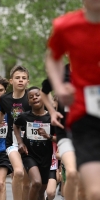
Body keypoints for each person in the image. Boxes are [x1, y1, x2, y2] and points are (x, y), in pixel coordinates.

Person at [46, 1, 100, 199]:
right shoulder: (66, 26)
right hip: (86, 116)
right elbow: (53, 57)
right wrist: (59, 87)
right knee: (94, 191)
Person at [0, 65, 31, 200]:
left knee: (26, 183)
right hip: (12, 140)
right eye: (17, 78)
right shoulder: (5, 99)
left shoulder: (32, 97)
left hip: (30, 141)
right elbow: (1, 114)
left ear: (27, 82)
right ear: (11, 81)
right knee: (18, 172)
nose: (20, 80)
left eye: (24, 78)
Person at [40, 64, 79, 200]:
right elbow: (43, 92)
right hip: (65, 133)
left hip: (88, 133)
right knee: (72, 173)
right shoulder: (62, 72)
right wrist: (52, 112)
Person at [13, 86, 56, 200]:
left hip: (46, 157)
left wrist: (48, 136)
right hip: (29, 154)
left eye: (37, 95)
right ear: (28, 102)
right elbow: (15, 126)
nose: (35, 98)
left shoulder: (51, 118)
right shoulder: (24, 116)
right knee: (36, 183)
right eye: (31, 97)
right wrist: (20, 143)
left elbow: (61, 137)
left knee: (41, 191)